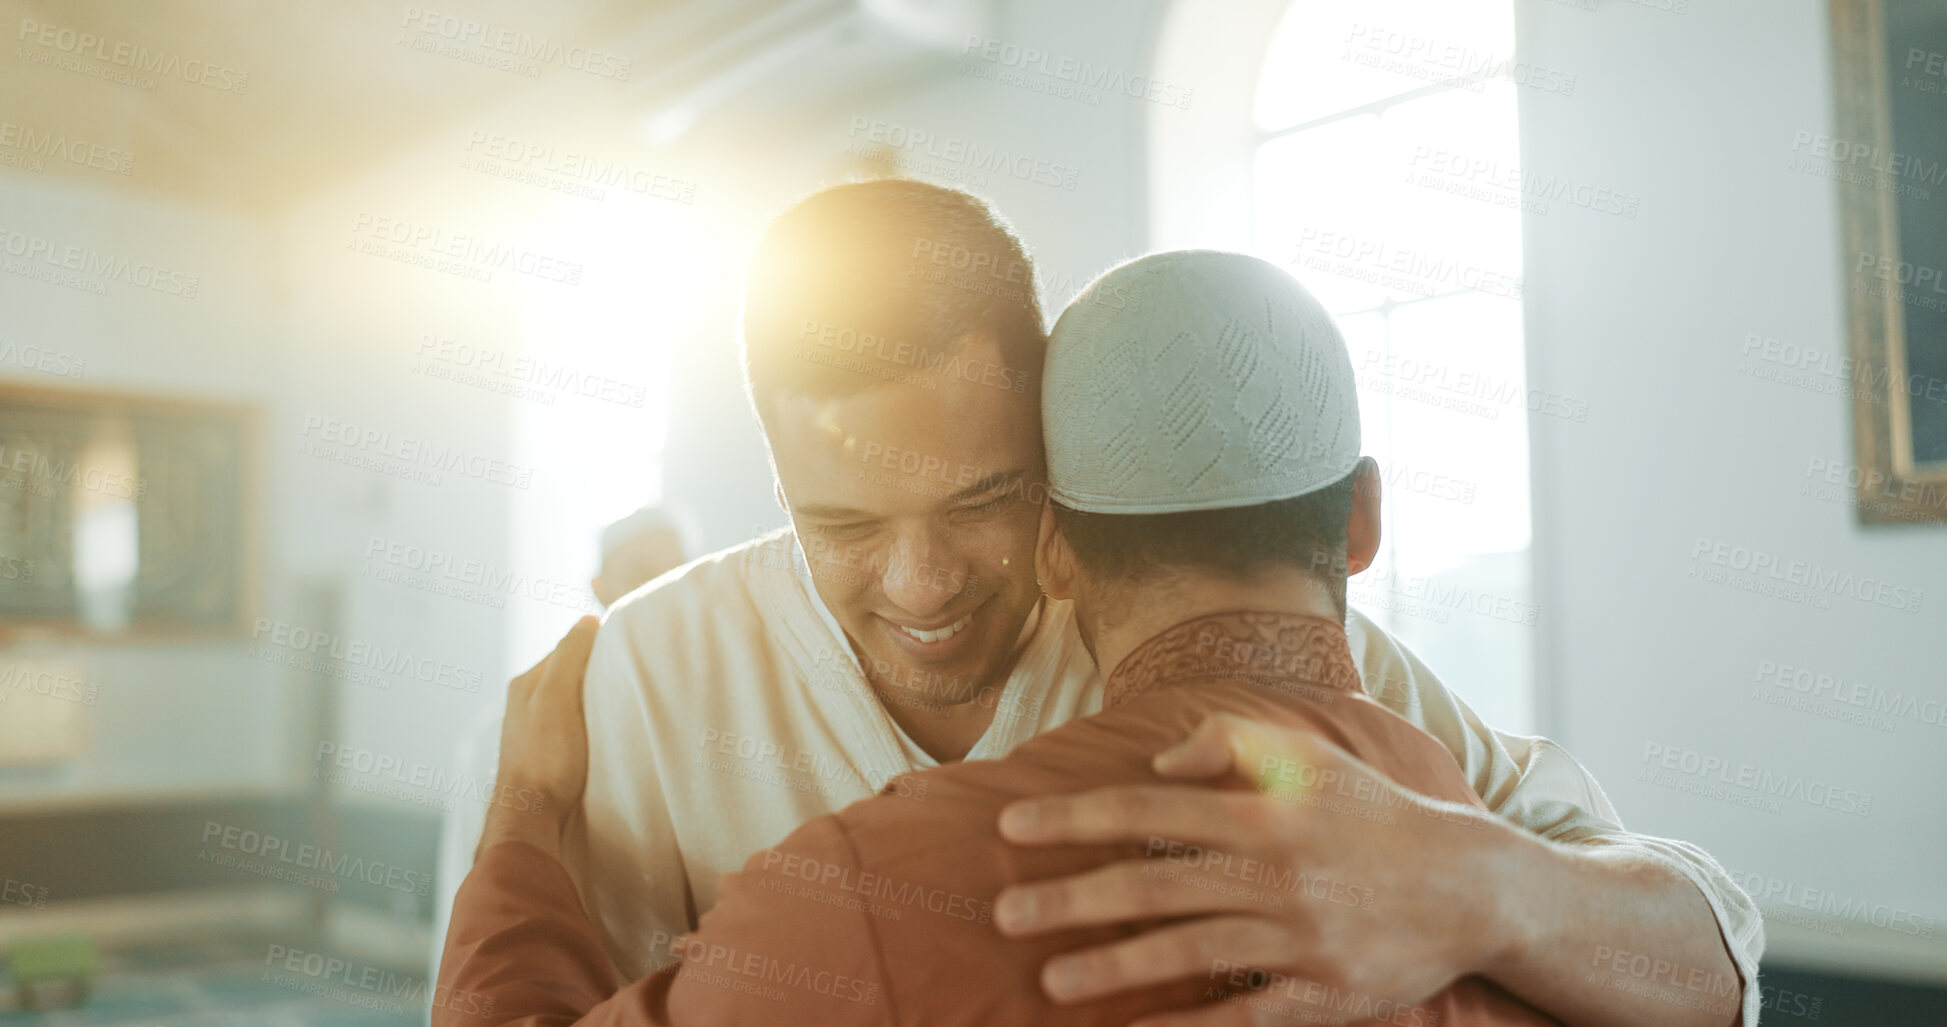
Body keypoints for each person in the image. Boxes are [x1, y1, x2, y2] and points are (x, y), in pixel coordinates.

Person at [556, 182, 1756, 1027]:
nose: (922, 585)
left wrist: (1497, 892)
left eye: (987, 502)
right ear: (775, 482)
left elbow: (1710, 950)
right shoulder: (648, 674)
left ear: (1061, 507)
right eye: (845, 527)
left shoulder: (1340, 685)